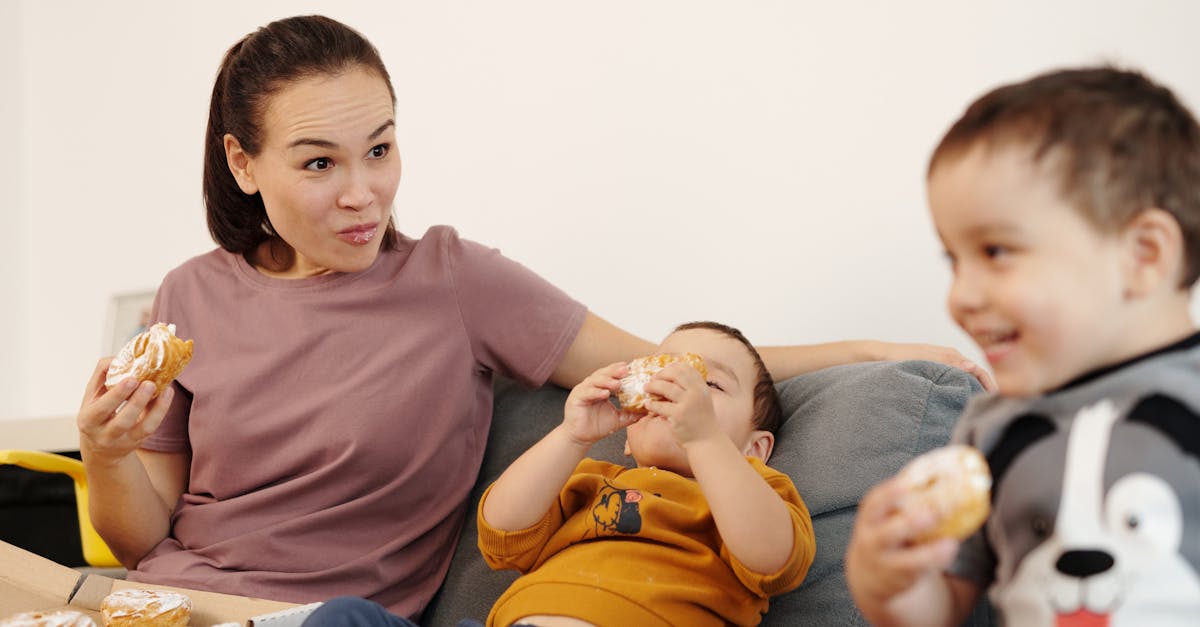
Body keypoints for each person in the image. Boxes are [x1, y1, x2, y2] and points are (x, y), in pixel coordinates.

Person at [75, 14, 993, 621]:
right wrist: (108, 453)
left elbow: (660, 363)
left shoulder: (455, 281)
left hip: (329, 618)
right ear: (243, 163)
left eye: (381, 149)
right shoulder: (189, 294)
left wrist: (877, 346)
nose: (364, 194)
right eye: (318, 164)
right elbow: (142, 537)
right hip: (164, 603)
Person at [844, 66, 1200, 625]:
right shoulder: (989, 429)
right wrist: (890, 587)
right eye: (953, 260)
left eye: (995, 251)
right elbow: (948, 607)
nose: (959, 297)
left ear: (1144, 255)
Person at [305, 321, 814, 627]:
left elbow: (773, 559)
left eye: (710, 387)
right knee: (343, 616)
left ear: (756, 447)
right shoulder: (591, 479)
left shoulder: (757, 493)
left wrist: (704, 439)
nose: (678, 392)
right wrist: (572, 435)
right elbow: (501, 532)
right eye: (660, 373)